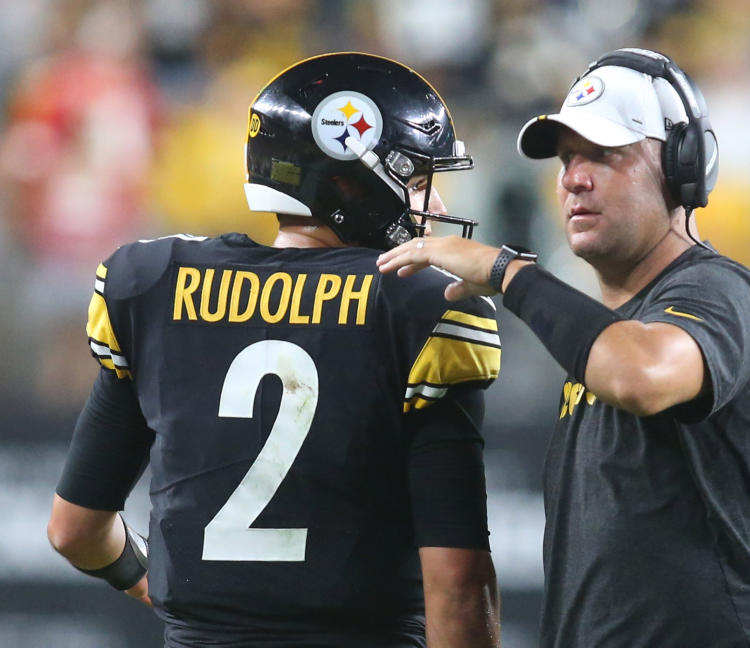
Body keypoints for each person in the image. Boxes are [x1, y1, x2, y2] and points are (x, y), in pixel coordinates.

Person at [47, 52, 501, 648]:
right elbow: (458, 586)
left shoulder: (154, 284)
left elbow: (75, 530)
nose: (435, 206)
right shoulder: (417, 305)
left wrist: (149, 582)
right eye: (419, 182)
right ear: (348, 182)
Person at [378, 48, 750, 647]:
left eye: (605, 156)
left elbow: (641, 374)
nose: (573, 179)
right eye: (566, 159)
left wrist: (508, 272)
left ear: (683, 167)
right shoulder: (605, 333)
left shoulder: (720, 289)